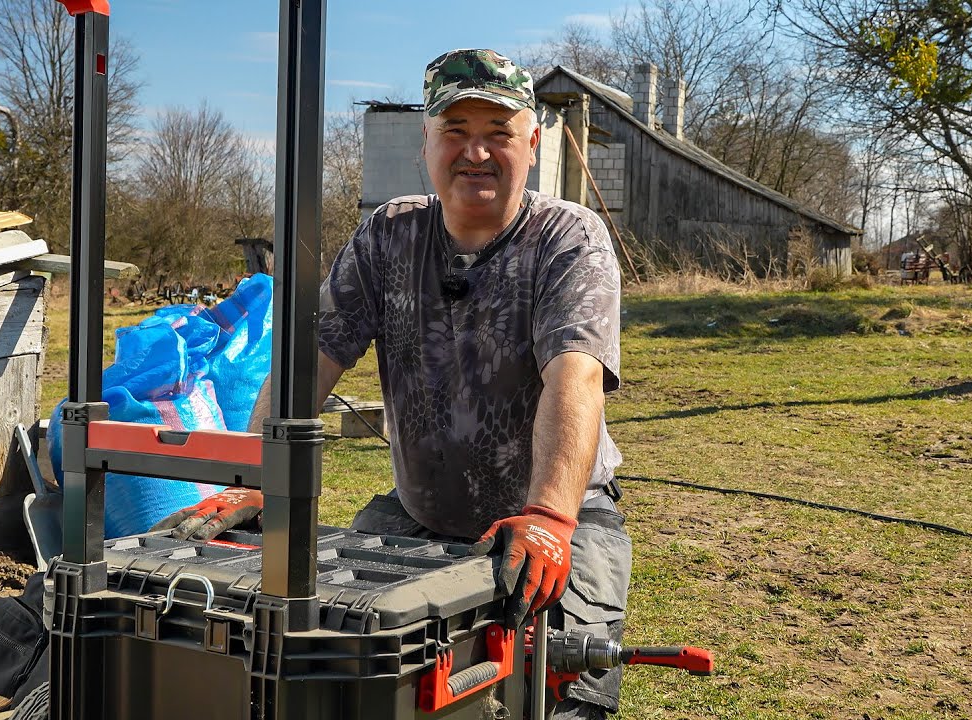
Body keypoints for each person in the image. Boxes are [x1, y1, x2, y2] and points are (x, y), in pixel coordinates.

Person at [152, 49, 630, 719]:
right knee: (336, 653)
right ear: (425, 144)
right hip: (420, 516)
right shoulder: (389, 235)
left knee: (565, 689)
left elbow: (574, 376)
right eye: (456, 132)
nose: (477, 153)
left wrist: (551, 517)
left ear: (532, 139)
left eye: (497, 133)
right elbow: (311, 359)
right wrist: (254, 478)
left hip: (560, 521)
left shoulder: (568, 239)